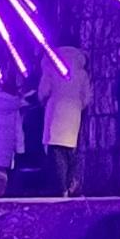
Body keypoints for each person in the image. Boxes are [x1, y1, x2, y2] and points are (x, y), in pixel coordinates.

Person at [38, 44, 90, 196]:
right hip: (74, 113)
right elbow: (86, 97)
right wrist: (79, 106)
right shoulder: (81, 73)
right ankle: (70, 182)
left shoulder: (51, 67)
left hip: (55, 111)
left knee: (57, 151)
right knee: (71, 150)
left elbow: (44, 91)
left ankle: (62, 188)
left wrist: (43, 101)